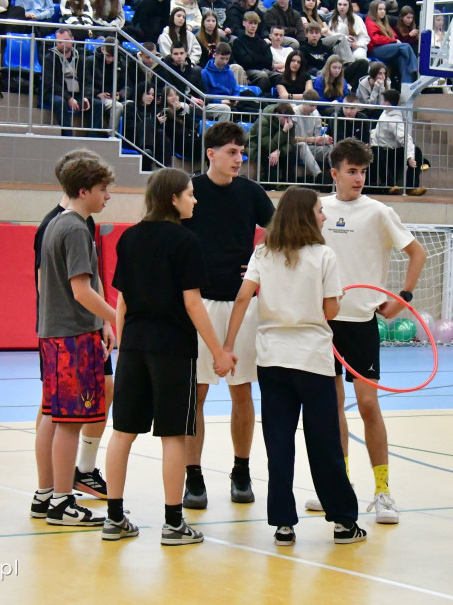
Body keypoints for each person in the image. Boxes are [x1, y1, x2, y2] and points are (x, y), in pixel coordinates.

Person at [224, 186, 367, 546]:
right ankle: (344, 523)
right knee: (324, 444)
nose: (323, 216)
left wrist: (227, 345)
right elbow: (330, 312)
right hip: (312, 361)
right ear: (307, 215)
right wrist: (338, 297)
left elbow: (243, 297)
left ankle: (283, 525)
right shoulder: (323, 256)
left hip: (272, 361)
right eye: (319, 210)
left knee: (279, 443)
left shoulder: (263, 253)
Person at [104, 167, 235, 545]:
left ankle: (113, 518)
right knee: (174, 435)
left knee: (123, 432)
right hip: (172, 350)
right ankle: (174, 524)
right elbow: (192, 303)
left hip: (134, 348)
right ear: (173, 199)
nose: (195, 199)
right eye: (190, 194)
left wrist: (125, 348)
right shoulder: (185, 241)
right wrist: (219, 352)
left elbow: (122, 301)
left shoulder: (128, 238)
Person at [307, 139, 426, 524]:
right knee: (331, 409)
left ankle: (383, 491)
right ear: (335, 173)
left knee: (369, 406)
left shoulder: (378, 211)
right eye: (352, 171)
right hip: (323, 324)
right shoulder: (318, 209)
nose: (358, 178)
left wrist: (402, 297)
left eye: (363, 171)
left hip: (361, 324)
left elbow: (417, 253)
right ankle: (338, 489)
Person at [181, 122, 276, 509]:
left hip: (242, 306)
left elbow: (277, 231)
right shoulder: (190, 190)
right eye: (232, 152)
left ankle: (241, 470)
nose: (239, 159)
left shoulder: (252, 192)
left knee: (242, 392)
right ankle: (194, 477)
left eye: (242, 152)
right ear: (212, 154)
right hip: (199, 305)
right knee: (196, 396)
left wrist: (259, 263)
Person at [30, 150, 117, 523]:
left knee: (54, 414)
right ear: (84, 191)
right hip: (72, 336)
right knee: (69, 421)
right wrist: (116, 318)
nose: (107, 196)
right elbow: (82, 291)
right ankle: (63, 502)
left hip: (52, 334)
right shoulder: (76, 229)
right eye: (103, 189)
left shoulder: (56, 224)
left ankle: (45, 494)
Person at [368, 88, 424, 196]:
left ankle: (411, 186)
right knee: (376, 151)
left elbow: (405, 138)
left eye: (382, 100)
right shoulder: (386, 112)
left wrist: (410, 157)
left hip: (391, 152)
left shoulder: (394, 121)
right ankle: (389, 185)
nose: (381, 102)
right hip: (382, 149)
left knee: (416, 151)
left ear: (387, 103)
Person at [40, 27, 90, 136]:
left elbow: (87, 81)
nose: (62, 44)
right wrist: (68, 98)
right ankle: (68, 135)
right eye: (59, 42)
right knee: (59, 101)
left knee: (96, 104)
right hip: (55, 93)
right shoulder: (49, 58)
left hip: (76, 93)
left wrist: (85, 96)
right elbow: (50, 84)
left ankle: (95, 137)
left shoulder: (80, 58)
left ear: (72, 39)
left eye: (66, 41)